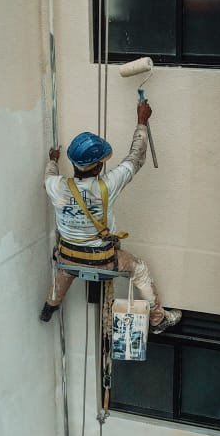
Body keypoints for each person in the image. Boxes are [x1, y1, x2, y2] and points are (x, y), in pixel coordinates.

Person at [40, 99, 181, 334]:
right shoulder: (108, 185)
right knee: (139, 269)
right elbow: (136, 158)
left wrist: (53, 159)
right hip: (103, 260)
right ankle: (158, 319)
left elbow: (48, 175)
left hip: (68, 258)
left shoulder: (56, 186)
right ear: (96, 167)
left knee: (65, 271)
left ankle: (50, 306)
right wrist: (141, 121)